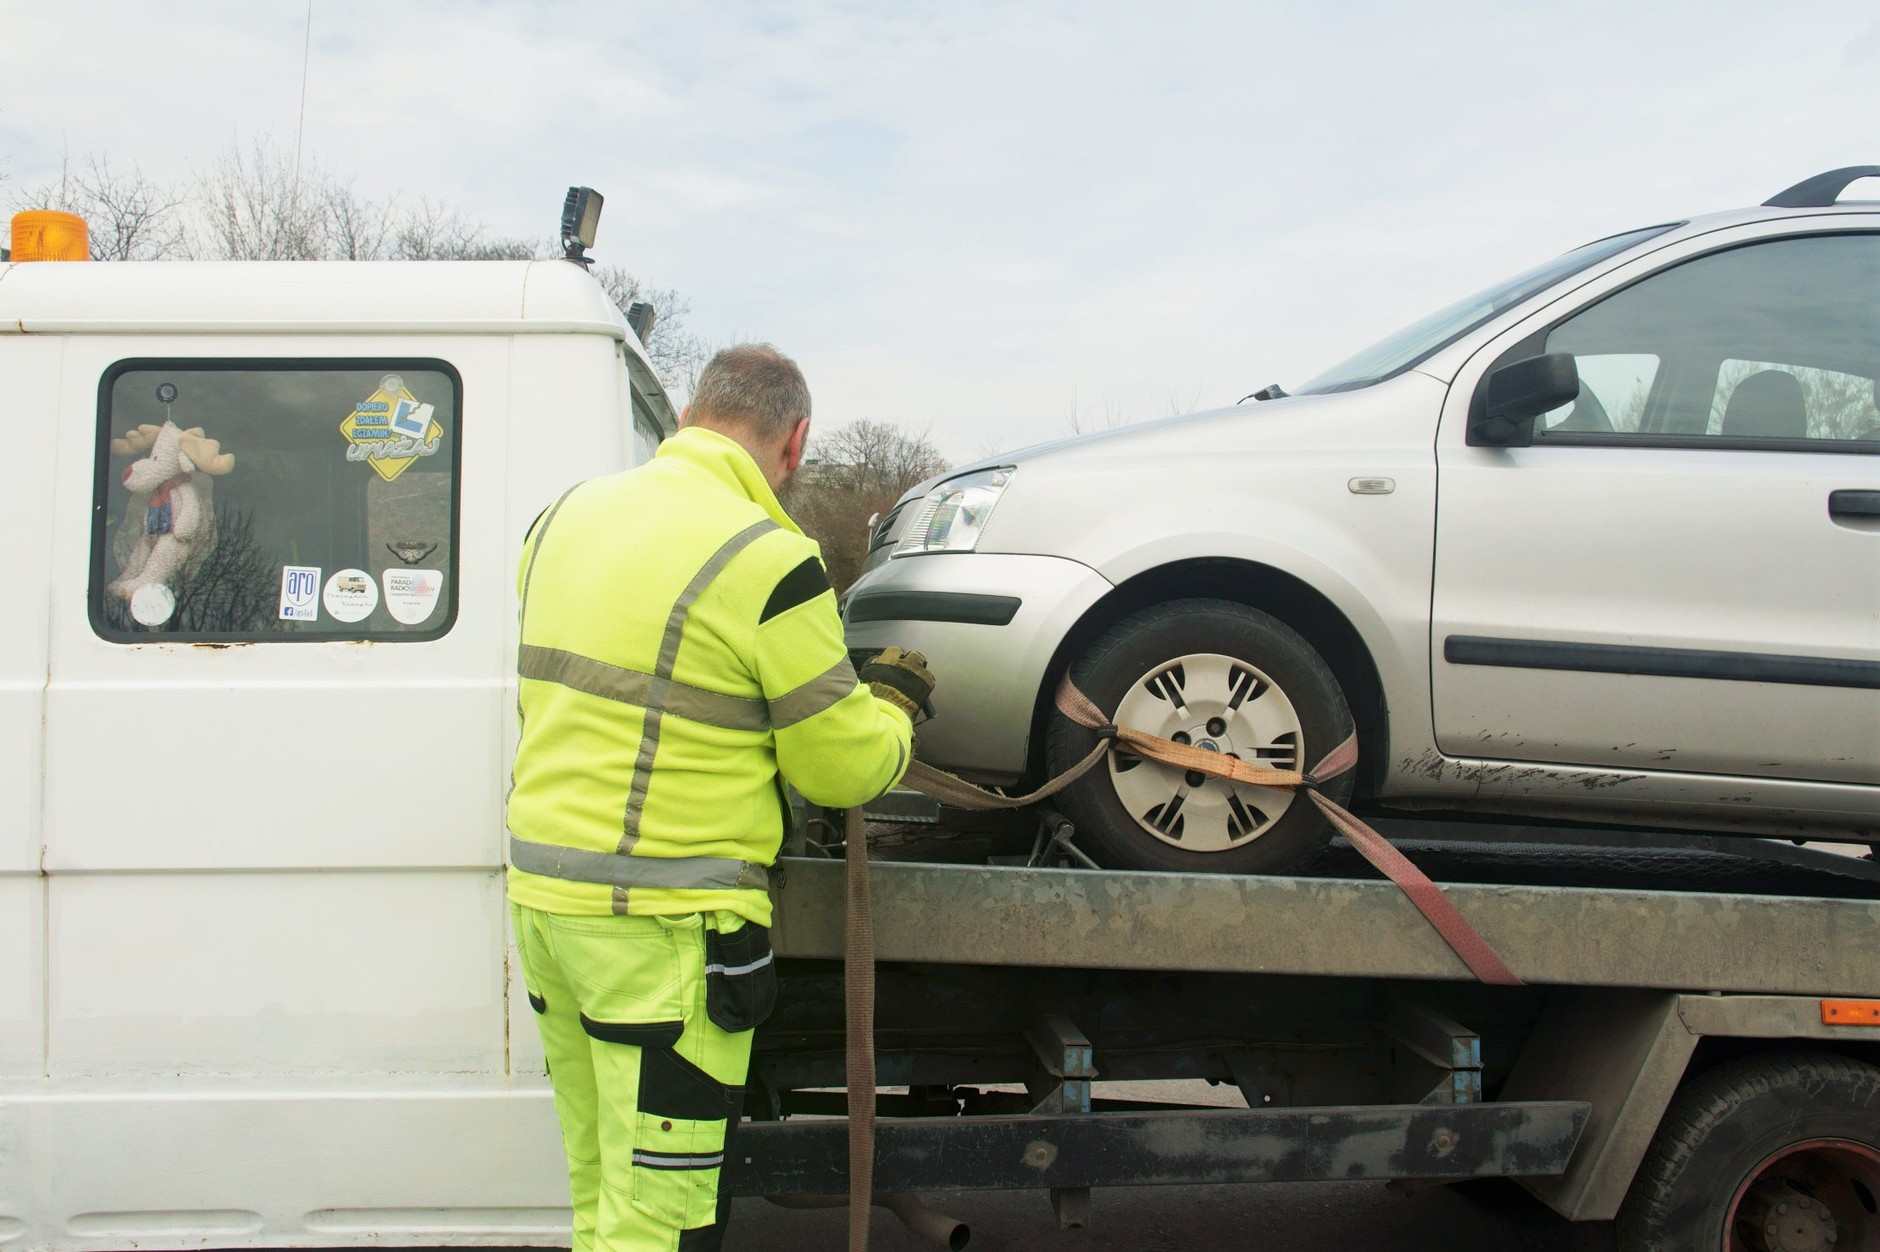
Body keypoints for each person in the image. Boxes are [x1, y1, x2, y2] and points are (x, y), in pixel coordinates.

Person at [505, 343, 935, 1252]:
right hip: (664, 931)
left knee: (600, 1193)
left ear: (695, 414)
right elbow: (840, 769)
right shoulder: (769, 560)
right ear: (796, 442)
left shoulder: (561, 518)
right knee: (662, 1223)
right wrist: (894, 707)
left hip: (547, 909)